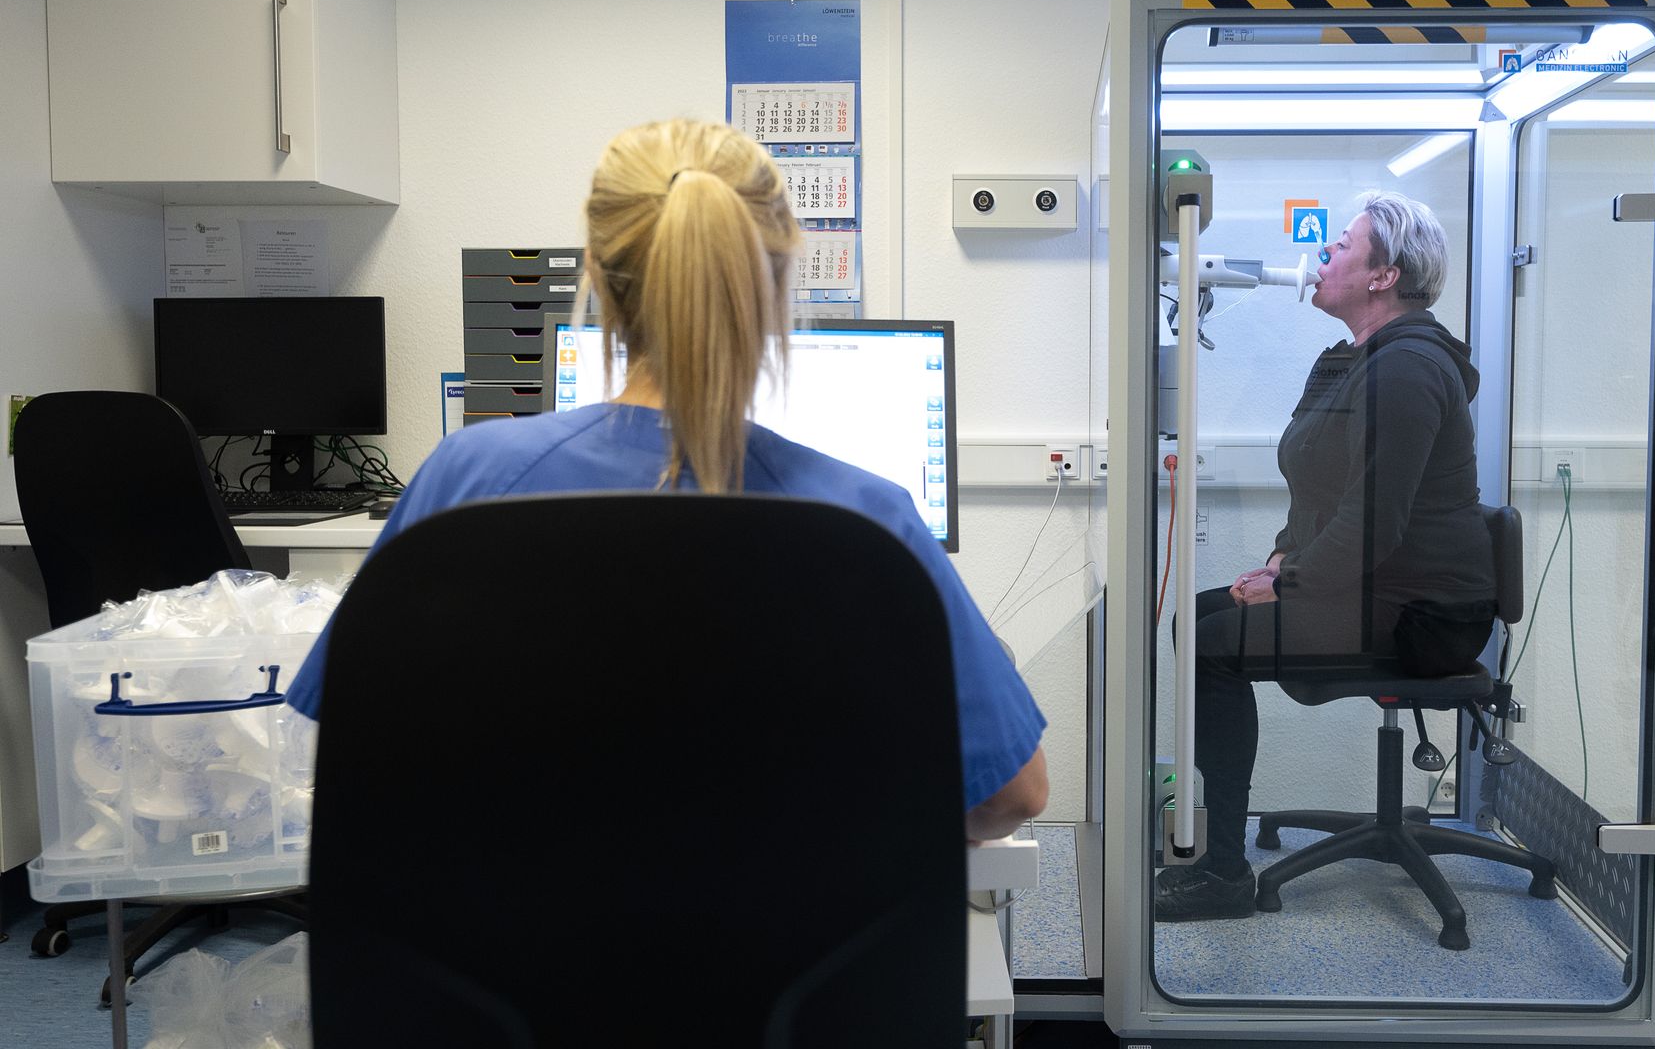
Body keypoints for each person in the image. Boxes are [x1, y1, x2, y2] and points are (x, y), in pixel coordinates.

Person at [284, 119, 1047, 841]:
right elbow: (1012, 796)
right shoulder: (868, 522)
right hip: (790, 974)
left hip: (507, 972)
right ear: (778, 284)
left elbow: (355, 750)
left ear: (598, 280)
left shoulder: (466, 481)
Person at [1155, 191, 1495, 920]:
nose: (1322, 258)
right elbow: (1318, 490)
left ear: (1383, 275)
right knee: (1197, 620)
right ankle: (1216, 856)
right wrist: (1283, 560)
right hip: (1374, 590)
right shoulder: (1350, 363)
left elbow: (1375, 522)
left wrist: (1294, 581)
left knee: (1212, 643)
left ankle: (1223, 875)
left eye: (1341, 246)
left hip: (1423, 618)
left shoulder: (1408, 371)